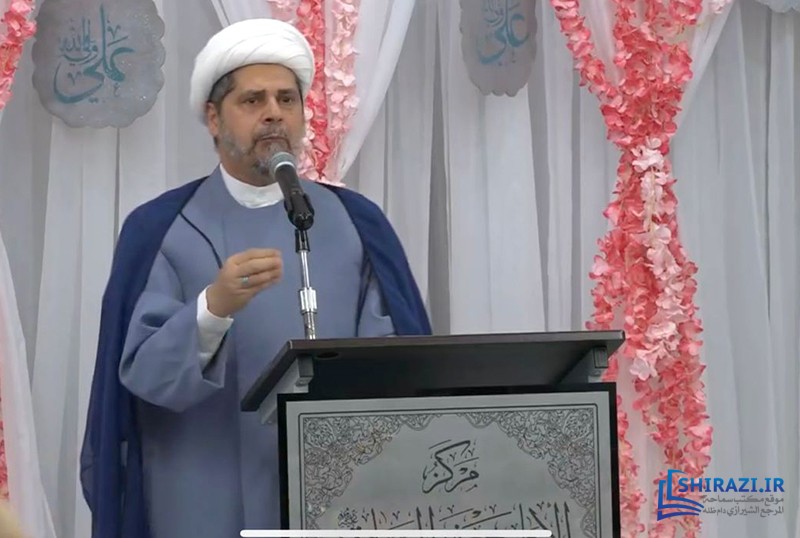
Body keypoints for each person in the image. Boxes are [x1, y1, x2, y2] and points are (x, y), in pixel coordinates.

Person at [79, 18, 431, 538]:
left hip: (336, 500)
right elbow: (141, 377)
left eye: (287, 99)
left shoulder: (356, 223)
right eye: (252, 100)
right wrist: (212, 308)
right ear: (213, 117)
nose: (273, 113)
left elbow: (399, 369)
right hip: (199, 498)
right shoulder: (160, 229)